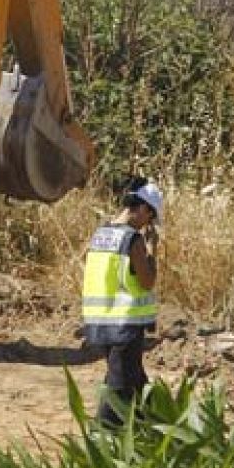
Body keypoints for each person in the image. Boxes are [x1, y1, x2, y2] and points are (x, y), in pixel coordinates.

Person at [82, 178, 162, 427]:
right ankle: (102, 434)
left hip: (100, 323)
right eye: (150, 218)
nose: (148, 224)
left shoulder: (100, 234)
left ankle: (151, 426)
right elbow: (147, 281)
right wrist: (151, 249)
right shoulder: (133, 240)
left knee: (136, 382)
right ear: (143, 209)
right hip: (124, 325)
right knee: (119, 388)